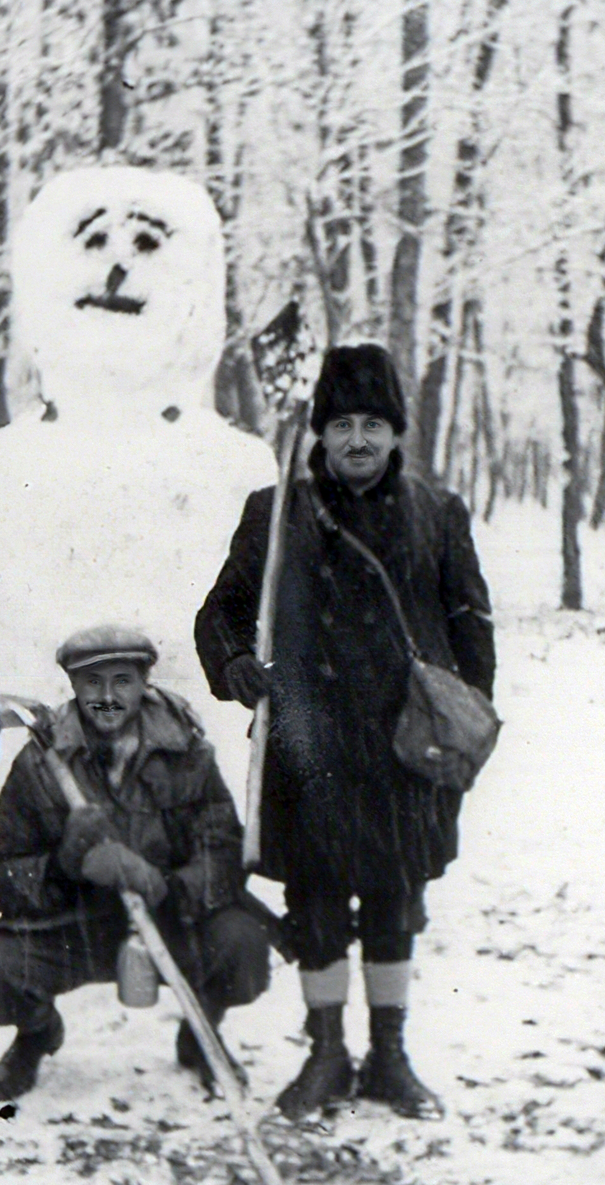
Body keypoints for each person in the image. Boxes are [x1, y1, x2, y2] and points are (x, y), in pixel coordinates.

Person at [195, 344, 495, 1121]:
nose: (357, 440)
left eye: (372, 424)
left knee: (396, 901)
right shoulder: (277, 513)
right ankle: (327, 1053)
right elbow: (220, 613)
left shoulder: (437, 514)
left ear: (395, 434)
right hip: (312, 748)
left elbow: (472, 628)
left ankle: (390, 1057)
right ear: (320, 434)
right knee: (318, 903)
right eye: (341, 425)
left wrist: (461, 726)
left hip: (404, 751)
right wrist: (235, 666)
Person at [0, 625, 272, 1110]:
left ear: (145, 681)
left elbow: (224, 852)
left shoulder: (186, 752)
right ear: (73, 684)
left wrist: (165, 885)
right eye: (92, 682)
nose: (107, 697)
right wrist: (65, 866)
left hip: (169, 919)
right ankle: (37, 1034)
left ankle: (200, 1031)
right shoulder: (42, 764)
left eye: (122, 681)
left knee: (242, 944)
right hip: (72, 924)